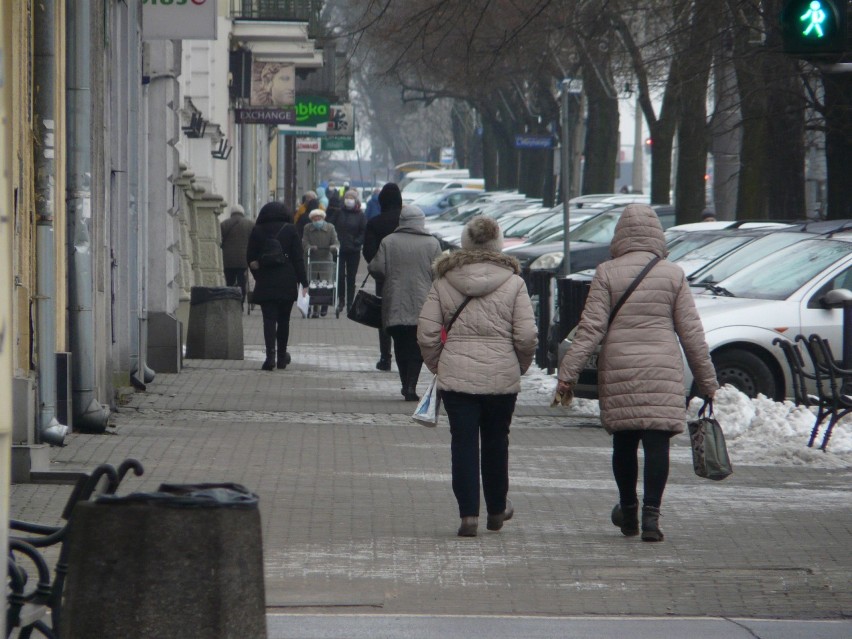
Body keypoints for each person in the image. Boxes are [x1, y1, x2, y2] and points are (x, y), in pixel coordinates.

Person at [556, 204, 718, 542]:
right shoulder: (672, 274)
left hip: (620, 368)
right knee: (657, 444)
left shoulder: (607, 272)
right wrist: (707, 382)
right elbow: (691, 333)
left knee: (625, 443)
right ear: (657, 234)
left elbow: (590, 329)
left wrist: (567, 374)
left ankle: (628, 511)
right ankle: (652, 519)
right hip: (662, 368)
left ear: (620, 234)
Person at [417, 215, 537, 538]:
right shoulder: (514, 283)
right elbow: (526, 336)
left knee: (463, 443)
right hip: (501, 379)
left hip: (456, 379)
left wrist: (441, 364)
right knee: (497, 441)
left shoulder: (444, 280)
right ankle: (497, 508)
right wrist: (519, 365)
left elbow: (427, 333)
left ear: (465, 243)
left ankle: (468, 514)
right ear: (498, 244)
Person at [369, 204, 442, 402]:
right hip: (423, 302)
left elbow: (376, 268)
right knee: (418, 345)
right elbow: (439, 273)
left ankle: (404, 384)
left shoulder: (389, 241)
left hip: (395, 300)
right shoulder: (432, 244)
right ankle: (411, 385)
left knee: (400, 344)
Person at [246, 202, 308, 371]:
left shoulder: (257, 230)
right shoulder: (290, 230)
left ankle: (269, 357)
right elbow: (298, 258)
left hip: (266, 280)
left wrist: (259, 276)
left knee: (268, 320)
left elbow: (250, 257)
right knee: (284, 320)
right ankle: (282, 357)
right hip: (287, 281)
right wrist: (304, 282)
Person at [362, 183, 403, 372]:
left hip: (384, 278)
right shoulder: (406, 223)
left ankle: (385, 357)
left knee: (384, 316)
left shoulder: (375, 223)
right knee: (407, 318)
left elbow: (369, 252)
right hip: (409, 278)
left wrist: (379, 269)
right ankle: (406, 357)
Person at [327, 188, 366, 313]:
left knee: (351, 277)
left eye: (351, 198)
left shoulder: (360, 215)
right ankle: (341, 300)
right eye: (347, 198)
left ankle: (350, 303)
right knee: (339, 277)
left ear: (356, 200)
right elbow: (330, 226)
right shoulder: (339, 213)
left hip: (353, 250)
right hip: (339, 250)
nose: (349, 200)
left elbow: (364, 231)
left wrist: (357, 241)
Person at [302, 208, 339, 318]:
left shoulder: (330, 228)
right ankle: (314, 309)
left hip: (325, 260)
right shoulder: (307, 228)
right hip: (311, 259)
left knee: (325, 283)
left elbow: (336, 242)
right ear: (311, 219)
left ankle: (324, 305)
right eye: (314, 218)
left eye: (319, 218)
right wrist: (309, 247)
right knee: (313, 284)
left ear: (323, 218)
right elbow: (304, 241)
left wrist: (333, 247)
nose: (317, 220)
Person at [220, 204, 255, 308]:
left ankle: (230, 303)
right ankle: (240, 303)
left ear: (231, 213)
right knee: (242, 282)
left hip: (228, 259)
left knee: (229, 282)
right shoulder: (250, 224)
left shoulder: (224, 224)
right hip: (243, 259)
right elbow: (254, 241)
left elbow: (219, 241)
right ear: (242, 213)